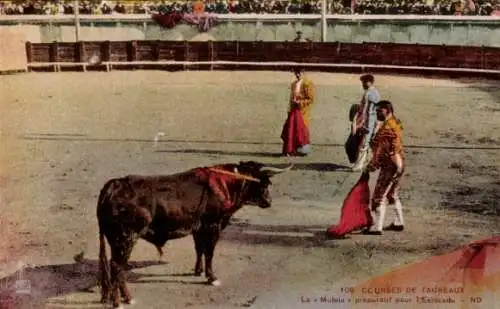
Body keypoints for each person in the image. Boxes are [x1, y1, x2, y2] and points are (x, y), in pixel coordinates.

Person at [362, 100, 405, 235]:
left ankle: (377, 227)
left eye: (380, 111)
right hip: (400, 163)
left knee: (378, 196)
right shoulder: (395, 122)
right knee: (392, 194)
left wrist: (370, 167)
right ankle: (399, 222)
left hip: (390, 165)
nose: (377, 113)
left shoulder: (385, 130)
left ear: (388, 110)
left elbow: (380, 153)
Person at [281, 67, 315, 156]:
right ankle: (290, 150)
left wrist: (300, 102)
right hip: (294, 110)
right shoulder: (293, 84)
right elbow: (291, 99)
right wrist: (290, 108)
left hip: (302, 111)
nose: (298, 75)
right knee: (290, 129)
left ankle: (302, 150)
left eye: (299, 73)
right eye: (296, 73)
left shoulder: (308, 84)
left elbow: (311, 99)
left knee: (301, 130)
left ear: (303, 73)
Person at [351, 74, 380, 171]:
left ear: (370, 82)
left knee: (364, 144)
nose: (362, 84)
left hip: (369, 122)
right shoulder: (370, 92)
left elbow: (371, 112)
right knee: (364, 143)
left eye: (364, 82)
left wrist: (365, 124)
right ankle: (364, 163)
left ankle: (359, 165)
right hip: (366, 121)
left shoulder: (372, 94)